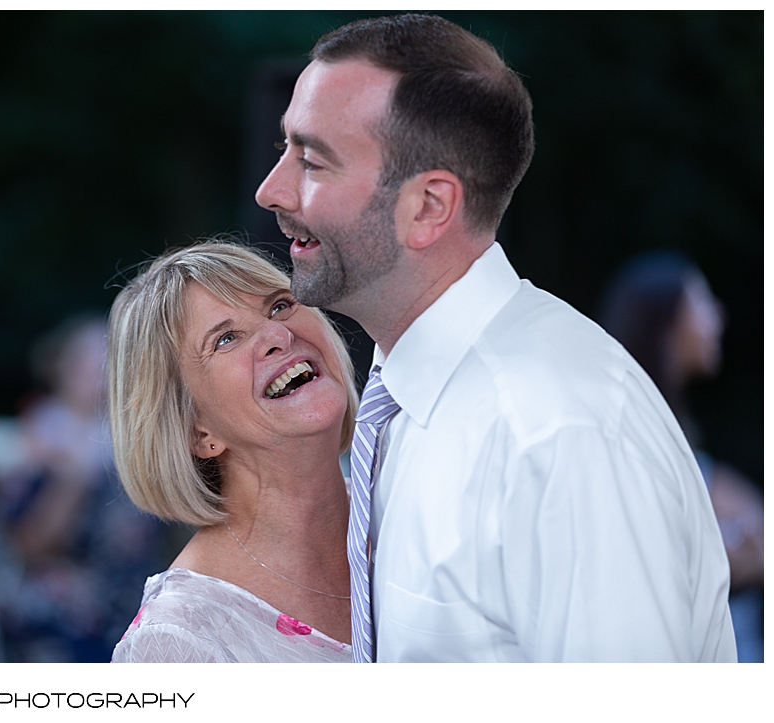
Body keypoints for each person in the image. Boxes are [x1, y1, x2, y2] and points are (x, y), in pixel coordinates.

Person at [255, 13, 736, 662]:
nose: (270, 189)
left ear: (429, 207)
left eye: (312, 159)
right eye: (284, 149)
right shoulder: (409, 394)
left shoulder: (560, 433)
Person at [108, 240, 358, 662]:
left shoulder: (412, 505)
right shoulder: (177, 641)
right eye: (226, 339)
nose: (279, 334)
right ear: (195, 431)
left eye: (280, 305)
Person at [600, 252, 763, 662]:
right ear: (667, 324)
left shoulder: (669, 425)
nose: (718, 316)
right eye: (703, 302)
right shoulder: (629, 431)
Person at [0, 316, 168, 661]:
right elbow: (28, 545)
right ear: (60, 368)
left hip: (130, 618)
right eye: (89, 359)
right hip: (55, 632)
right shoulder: (36, 443)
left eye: (111, 356)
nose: (101, 370)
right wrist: (72, 477)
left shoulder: (137, 441)